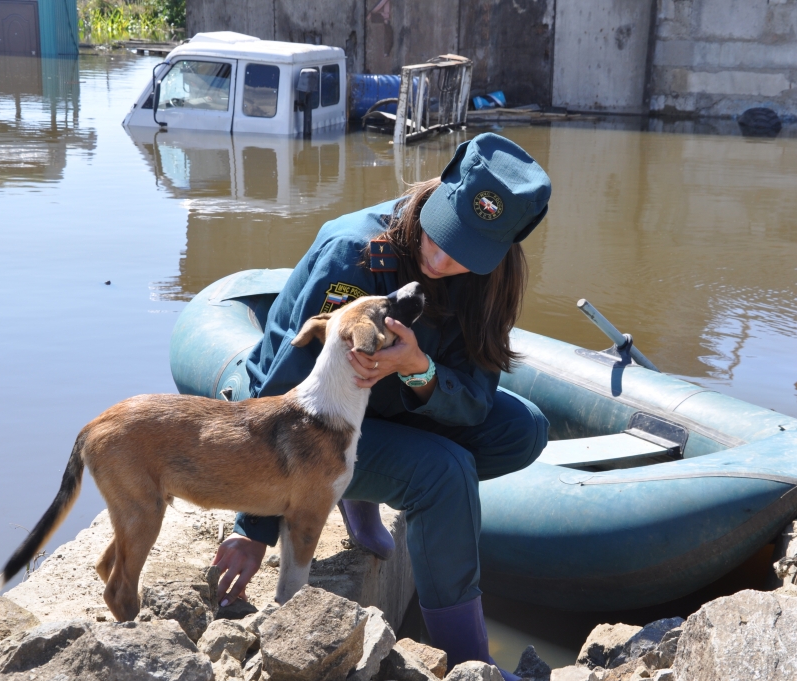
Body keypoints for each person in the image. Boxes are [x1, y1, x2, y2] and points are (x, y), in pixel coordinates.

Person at [211, 133, 551, 680]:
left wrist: (418, 369)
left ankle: (359, 491)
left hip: (389, 407)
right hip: (316, 420)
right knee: (444, 473)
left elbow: (478, 398)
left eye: (467, 253)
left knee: (523, 430)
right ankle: (469, 662)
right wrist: (253, 527)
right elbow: (286, 395)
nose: (441, 258)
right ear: (438, 194)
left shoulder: (491, 281)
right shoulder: (355, 255)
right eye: (443, 235)